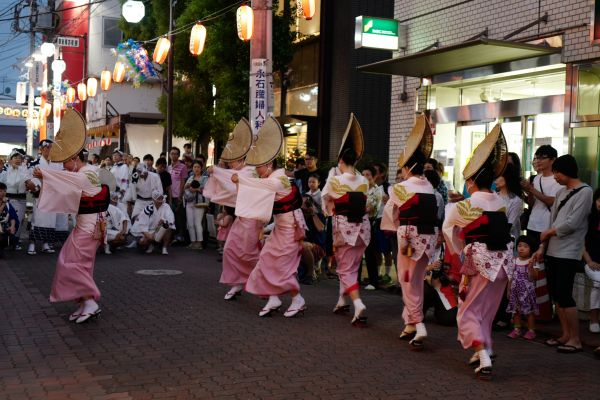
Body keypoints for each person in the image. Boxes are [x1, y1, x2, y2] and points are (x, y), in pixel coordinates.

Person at [443, 124, 513, 379]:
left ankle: (483, 354)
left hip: (480, 260)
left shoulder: (464, 206)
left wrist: (461, 251)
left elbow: (449, 231)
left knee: (468, 309)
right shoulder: (501, 203)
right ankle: (485, 347)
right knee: (488, 309)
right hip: (504, 261)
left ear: (471, 181)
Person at [32, 109, 109, 324]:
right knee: (79, 265)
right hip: (91, 225)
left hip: (88, 227)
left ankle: (91, 301)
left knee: (70, 264)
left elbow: (65, 182)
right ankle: (84, 303)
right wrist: (47, 177)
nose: (64, 166)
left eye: (66, 161)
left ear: (75, 158)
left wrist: (45, 174)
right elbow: (67, 184)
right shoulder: (89, 171)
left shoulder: (83, 175)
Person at [235, 118, 308, 317]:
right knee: (267, 259)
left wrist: (240, 179)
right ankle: (273, 297)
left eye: (259, 166)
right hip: (281, 228)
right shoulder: (277, 177)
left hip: (290, 230)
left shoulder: (277, 180)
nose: (257, 171)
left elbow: (258, 188)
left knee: (283, 266)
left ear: (268, 164)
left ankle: (297, 299)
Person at [386, 115, 439, 350]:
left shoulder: (399, 187)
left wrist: (395, 226)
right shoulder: (430, 186)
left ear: (408, 167)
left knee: (406, 279)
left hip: (408, 236)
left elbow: (393, 213)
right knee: (417, 278)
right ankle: (410, 323)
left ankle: (418, 324)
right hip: (430, 237)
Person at [533, 154, 593, 353]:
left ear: (567, 171)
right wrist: (543, 246)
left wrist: (549, 232)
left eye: (557, 172)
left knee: (566, 295)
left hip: (569, 251)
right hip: (552, 249)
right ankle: (565, 334)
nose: (555, 176)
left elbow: (573, 223)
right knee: (557, 296)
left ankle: (575, 339)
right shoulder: (561, 192)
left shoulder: (585, 192)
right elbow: (553, 219)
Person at [203, 118, 261, 301]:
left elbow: (232, 180)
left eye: (231, 161)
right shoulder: (240, 171)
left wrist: (218, 171)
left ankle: (263, 282)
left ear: (240, 158)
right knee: (230, 250)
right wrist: (219, 170)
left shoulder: (251, 171)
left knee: (250, 254)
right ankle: (237, 283)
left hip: (253, 219)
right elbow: (230, 182)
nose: (229, 164)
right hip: (241, 219)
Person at [322, 114, 370, 326]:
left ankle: (358, 304)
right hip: (362, 226)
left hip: (344, 227)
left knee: (344, 268)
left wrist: (330, 206)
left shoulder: (335, 181)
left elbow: (326, 201)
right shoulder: (364, 181)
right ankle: (342, 300)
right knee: (351, 265)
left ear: (341, 161)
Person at [27, 139, 64, 255]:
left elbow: (60, 178)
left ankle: (46, 243)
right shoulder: (35, 164)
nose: (49, 150)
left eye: (50, 147)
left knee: (50, 221)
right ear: (41, 149)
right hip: (40, 195)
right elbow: (31, 179)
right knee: (37, 219)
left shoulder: (58, 164)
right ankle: (32, 244)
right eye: (46, 147)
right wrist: (36, 185)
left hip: (53, 196)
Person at [522, 145, 562, 243]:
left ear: (553, 160)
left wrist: (531, 189)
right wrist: (528, 191)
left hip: (547, 226)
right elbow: (532, 204)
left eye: (543, 158)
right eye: (537, 157)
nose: (538, 161)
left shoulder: (557, 179)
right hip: (532, 224)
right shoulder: (536, 178)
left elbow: (552, 202)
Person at [506, 235, 539, 340]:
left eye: (525, 246)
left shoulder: (533, 262)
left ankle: (531, 330)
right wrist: (508, 290)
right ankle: (517, 329)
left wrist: (531, 268)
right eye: (519, 246)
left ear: (531, 249)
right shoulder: (514, 261)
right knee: (516, 311)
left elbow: (535, 277)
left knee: (529, 312)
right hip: (515, 291)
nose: (521, 248)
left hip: (527, 292)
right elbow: (510, 276)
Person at [0, 149, 30, 250]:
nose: (17, 160)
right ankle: (5, 241)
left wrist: (20, 170)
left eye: (19, 158)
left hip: (21, 200)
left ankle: (15, 242)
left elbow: (28, 182)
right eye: (15, 158)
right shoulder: (5, 172)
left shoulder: (25, 171)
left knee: (18, 220)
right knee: (6, 220)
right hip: (8, 200)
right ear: (10, 160)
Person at [130, 189, 176, 255]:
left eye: (161, 198)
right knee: (142, 242)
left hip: (160, 229)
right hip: (149, 230)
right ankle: (150, 245)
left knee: (168, 227)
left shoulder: (166, 206)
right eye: (158, 198)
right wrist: (148, 235)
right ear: (154, 199)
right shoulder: (148, 209)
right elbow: (141, 224)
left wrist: (164, 221)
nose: (160, 200)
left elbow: (171, 219)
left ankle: (164, 248)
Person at [362, 165, 383, 290]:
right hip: (358, 222)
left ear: (374, 176)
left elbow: (368, 208)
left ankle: (374, 281)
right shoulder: (360, 189)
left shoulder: (376, 190)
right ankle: (355, 279)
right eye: (363, 174)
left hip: (370, 223)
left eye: (368, 175)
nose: (365, 177)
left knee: (370, 253)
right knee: (357, 252)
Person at [583, 188, 600, 334]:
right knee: (598, 281)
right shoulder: (589, 219)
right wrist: (588, 260)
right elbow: (580, 243)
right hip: (590, 261)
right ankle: (594, 317)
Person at [299, 194, 326, 284]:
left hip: (317, 246)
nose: (304, 205)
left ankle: (310, 275)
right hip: (300, 243)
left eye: (306, 203)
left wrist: (313, 213)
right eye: (302, 202)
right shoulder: (298, 215)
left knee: (304, 246)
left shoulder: (318, 215)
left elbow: (320, 228)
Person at [184, 160, 208, 249]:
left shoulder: (205, 178)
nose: (196, 169)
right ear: (192, 168)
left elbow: (207, 190)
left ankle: (199, 243)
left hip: (199, 202)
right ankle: (193, 241)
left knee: (197, 222)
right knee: (190, 223)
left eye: (198, 167)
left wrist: (197, 189)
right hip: (189, 202)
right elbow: (185, 189)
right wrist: (186, 187)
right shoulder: (190, 178)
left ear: (201, 168)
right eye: (194, 167)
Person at [168, 146, 188, 243]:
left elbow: (183, 182)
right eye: (172, 153)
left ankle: (180, 237)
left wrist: (180, 196)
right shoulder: (168, 167)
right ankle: (173, 237)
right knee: (172, 217)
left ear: (179, 155)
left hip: (178, 196)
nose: (173, 155)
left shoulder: (183, 167)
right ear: (169, 155)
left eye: (176, 153)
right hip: (170, 196)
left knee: (180, 217)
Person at [0, 182, 20, 257]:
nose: (3, 193)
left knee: (13, 238)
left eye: (4, 191)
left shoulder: (8, 203)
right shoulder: (5, 203)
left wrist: (12, 226)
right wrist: (4, 204)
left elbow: (13, 216)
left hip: (4, 227)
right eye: (0, 191)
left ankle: (1, 248)